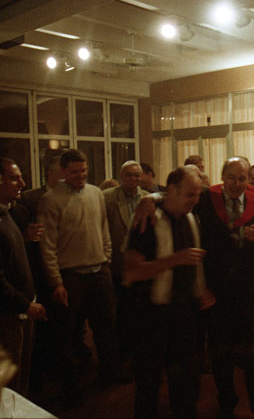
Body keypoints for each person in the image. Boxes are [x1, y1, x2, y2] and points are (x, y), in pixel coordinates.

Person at [134, 157, 254, 418]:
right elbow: (176, 197)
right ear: (222, 176)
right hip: (217, 293)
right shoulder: (206, 199)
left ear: (249, 179)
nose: (236, 183)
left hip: (250, 294)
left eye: (242, 178)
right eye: (231, 177)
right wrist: (149, 199)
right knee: (220, 356)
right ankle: (226, 404)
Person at [125, 166, 214, 419]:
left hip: (183, 311)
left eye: (197, 194)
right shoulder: (148, 220)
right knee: (148, 381)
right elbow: (132, 272)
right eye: (190, 195)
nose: (195, 200)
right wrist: (174, 260)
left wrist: (200, 291)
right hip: (150, 314)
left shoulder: (191, 218)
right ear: (172, 190)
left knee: (187, 381)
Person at [38, 149, 125, 402]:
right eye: (75, 172)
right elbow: (47, 245)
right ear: (63, 172)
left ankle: (109, 372)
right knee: (67, 335)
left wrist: (106, 257)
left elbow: (103, 228)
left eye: (84, 171)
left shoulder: (95, 193)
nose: (80, 176)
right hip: (70, 275)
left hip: (99, 271)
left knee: (107, 327)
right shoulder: (50, 199)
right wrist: (56, 281)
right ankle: (71, 386)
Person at [0, 158, 47, 395]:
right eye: (14, 178)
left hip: (19, 311)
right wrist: (25, 304)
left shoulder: (6, 213)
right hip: (9, 315)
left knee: (20, 379)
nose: (23, 183)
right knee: (10, 386)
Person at [103, 160, 149, 361]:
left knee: (140, 313)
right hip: (117, 265)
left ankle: (138, 350)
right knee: (119, 313)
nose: (134, 179)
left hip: (142, 267)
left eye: (137, 175)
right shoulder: (107, 197)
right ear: (121, 177)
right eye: (129, 175)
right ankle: (121, 355)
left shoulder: (148, 198)